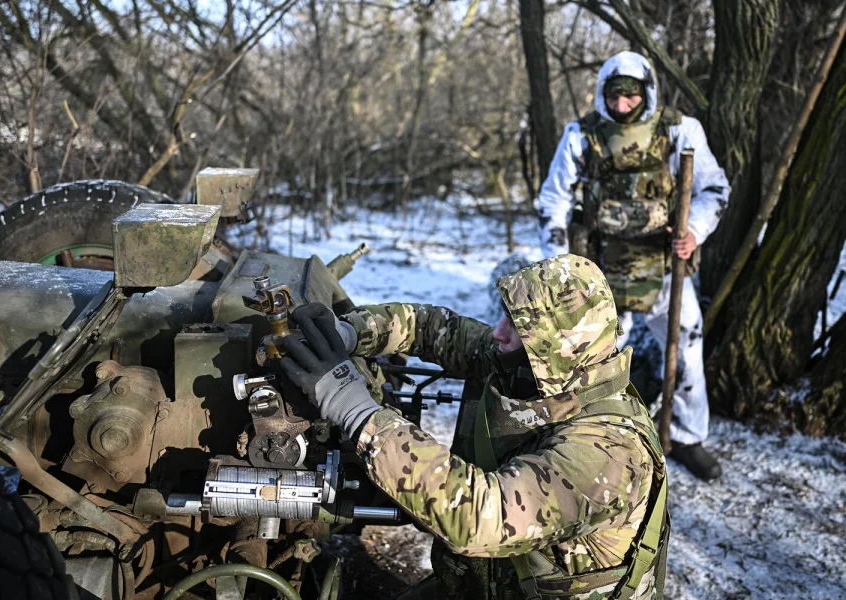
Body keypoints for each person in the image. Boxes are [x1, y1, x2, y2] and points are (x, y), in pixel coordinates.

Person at [280, 256, 669, 600]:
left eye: (517, 328)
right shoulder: (541, 371)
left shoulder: (608, 455)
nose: (499, 334)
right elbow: (432, 328)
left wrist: (354, 408)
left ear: (558, 349)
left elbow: (478, 516)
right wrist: (351, 332)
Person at [537, 51, 730, 481]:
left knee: (687, 344)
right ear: (603, 92)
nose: (622, 104)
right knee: (593, 355)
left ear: (647, 92)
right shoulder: (581, 135)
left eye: (631, 95)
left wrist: (694, 230)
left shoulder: (681, 131)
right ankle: (589, 436)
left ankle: (686, 436)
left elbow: (714, 189)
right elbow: (554, 198)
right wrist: (558, 258)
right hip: (601, 266)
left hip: (663, 266)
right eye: (614, 94)